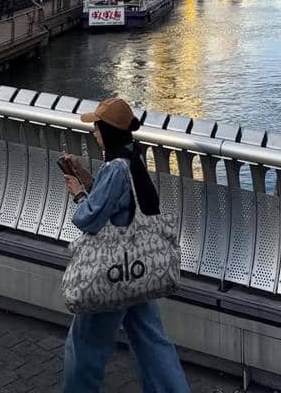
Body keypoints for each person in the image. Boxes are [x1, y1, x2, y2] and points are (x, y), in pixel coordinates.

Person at [59, 97, 190, 393]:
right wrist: (87, 177)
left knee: (84, 345)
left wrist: (79, 193)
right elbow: (120, 202)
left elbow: (89, 219)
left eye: (97, 127)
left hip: (114, 270)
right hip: (139, 267)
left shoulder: (116, 168)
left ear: (108, 131)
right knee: (152, 342)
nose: (94, 132)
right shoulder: (132, 159)